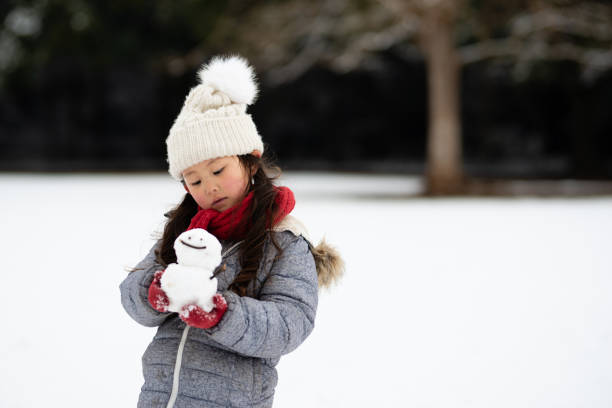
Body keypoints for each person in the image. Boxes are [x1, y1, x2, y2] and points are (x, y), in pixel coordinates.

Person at [119, 55, 343, 408]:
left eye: (218, 170)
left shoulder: (284, 241)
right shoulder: (185, 233)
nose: (209, 187)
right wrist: (155, 291)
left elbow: (290, 324)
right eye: (194, 180)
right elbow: (131, 295)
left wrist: (220, 312)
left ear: (250, 160)